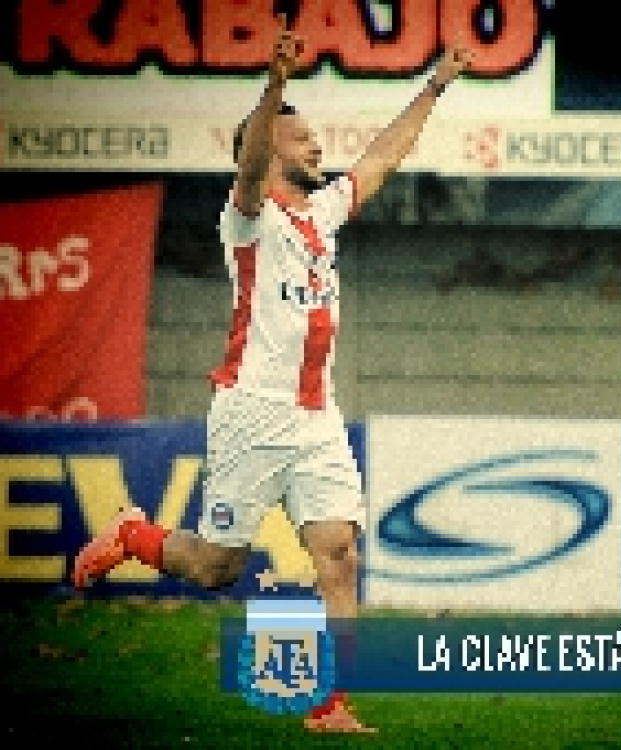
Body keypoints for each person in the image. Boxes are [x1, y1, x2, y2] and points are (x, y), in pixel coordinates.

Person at [72, 14, 473, 734]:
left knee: (339, 554)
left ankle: (331, 705)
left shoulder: (322, 216)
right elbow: (251, 161)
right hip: (252, 412)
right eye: (301, 137)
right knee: (215, 567)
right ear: (267, 151)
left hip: (316, 415)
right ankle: (134, 536)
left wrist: (435, 86)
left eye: (314, 135)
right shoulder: (248, 220)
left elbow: (382, 157)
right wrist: (275, 83)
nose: (316, 144)